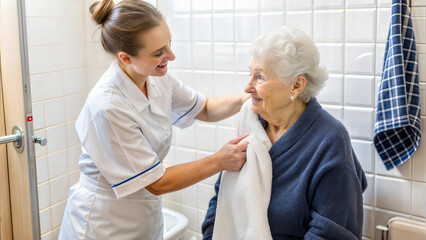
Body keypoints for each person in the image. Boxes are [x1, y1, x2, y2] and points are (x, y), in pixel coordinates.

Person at [59, 0, 249, 239]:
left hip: (143, 213)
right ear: (126, 58)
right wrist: (220, 160)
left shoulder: (157, 77)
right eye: (159, 52)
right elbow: (157, 182)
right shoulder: (108, 107)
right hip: (104, 222)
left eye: (169, 43)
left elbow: (205, 108)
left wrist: (247, 99)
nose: (171, 55)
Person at [202, 26, 368, 240]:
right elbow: (223, 196)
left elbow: (330, 233)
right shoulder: (251, 124)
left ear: (296, 86)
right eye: (250, 74)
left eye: (259, 77)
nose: (247, 87)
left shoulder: (330, 141)